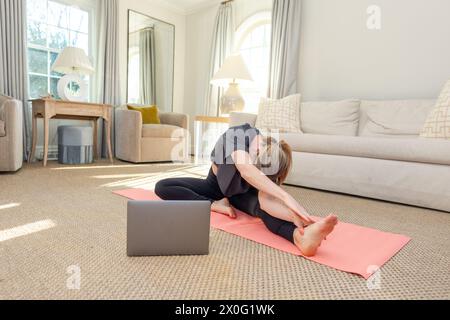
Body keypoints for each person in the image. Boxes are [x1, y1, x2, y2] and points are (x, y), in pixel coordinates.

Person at [155, 124, 338, 256]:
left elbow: (266, 201)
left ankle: (300, 238)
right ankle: (215, 204)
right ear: (256, 150)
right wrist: (286, 196)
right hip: (215, 186)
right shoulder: (239, 134)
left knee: (261, 209)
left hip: (240, 194)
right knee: (163, 186)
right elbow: (246, 170)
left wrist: (300, 219)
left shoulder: (270, 157)